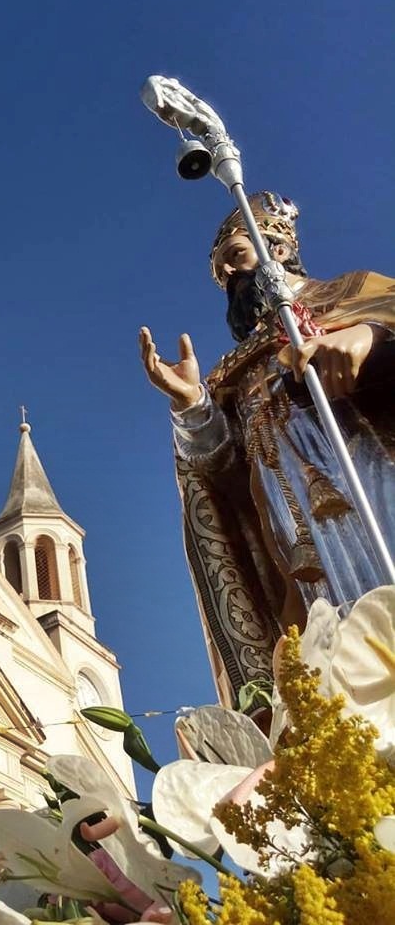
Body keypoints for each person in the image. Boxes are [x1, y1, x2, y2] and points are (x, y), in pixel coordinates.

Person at [139, 191, 395, 706]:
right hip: (293, 530)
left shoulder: (353, 292)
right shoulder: (233, 372)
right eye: (221, 271)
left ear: (277, 247)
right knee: (331, 653)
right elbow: (224, 477)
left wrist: (368, 336)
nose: (230, 275)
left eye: (236, 256)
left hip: (370, 478)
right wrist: (194, 408)